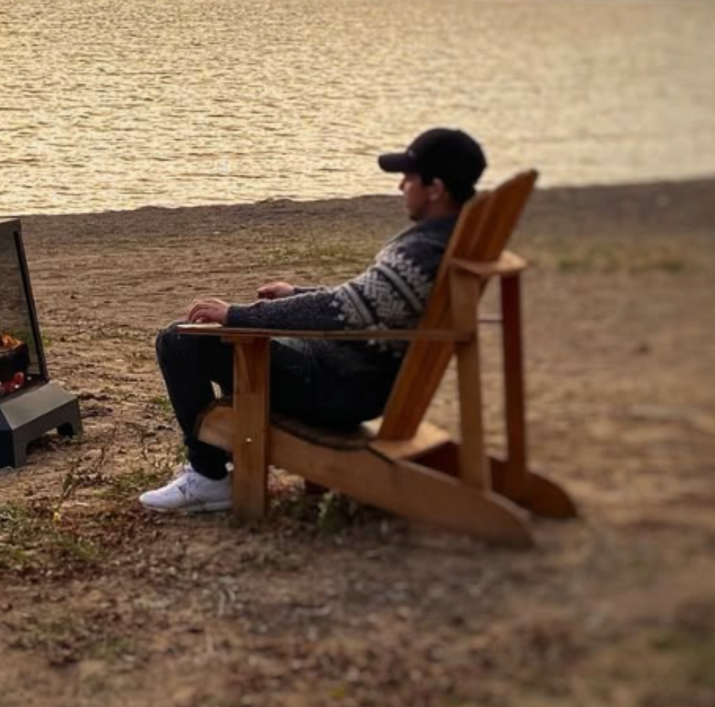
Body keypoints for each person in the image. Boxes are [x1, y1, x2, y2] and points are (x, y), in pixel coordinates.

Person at [139, 128, 487, 513]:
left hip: (339, 385)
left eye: (409, 177)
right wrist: (297, 293)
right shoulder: (450, 238)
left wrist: (238, 315)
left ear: (435, 188)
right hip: (350, 373)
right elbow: (364, 300)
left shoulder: (423, 250)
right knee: (221, 341)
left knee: (180, 341)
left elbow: (342, 309)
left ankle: (208, 477)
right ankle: (219, 467)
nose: (402, 185)